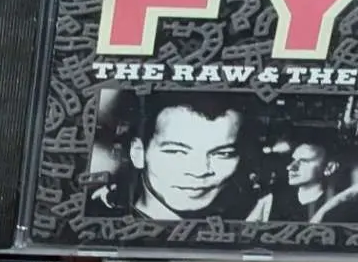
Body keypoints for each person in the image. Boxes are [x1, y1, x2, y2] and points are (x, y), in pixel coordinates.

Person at [87, 91, 262, 221]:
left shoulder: (256, 215)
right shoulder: (99, 219)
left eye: (223, 154)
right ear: (138, 153)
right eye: (176, 152)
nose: (199, 170)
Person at [249, 139, 340, 223]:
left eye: (304, 161)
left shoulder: (338, 206)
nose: (291, 167)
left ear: (329, 167)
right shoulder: (270, 201)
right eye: (293, 160)